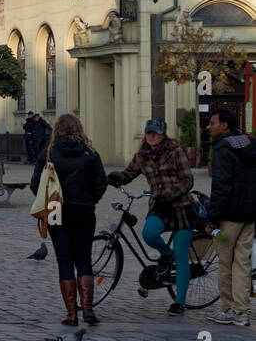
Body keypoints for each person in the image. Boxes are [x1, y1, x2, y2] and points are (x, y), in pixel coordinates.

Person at [107, 118, 203, 315]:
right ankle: (166, 255)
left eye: (156, 133)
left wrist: (170, 195)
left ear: (163, 134)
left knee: (182, 255)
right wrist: (114, 177)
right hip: (159, 206)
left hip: (181, 206)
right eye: (149, 132)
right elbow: (128, 174)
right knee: (149, 234)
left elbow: (188, 180)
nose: (152, 136)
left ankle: (180, 302)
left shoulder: (175, 152)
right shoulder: (142, 156)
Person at [30, 113, 108, 325]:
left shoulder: (49, 153)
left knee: (65, 262)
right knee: (84, 260)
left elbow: (35, 184)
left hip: (56, 210)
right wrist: (90, 199)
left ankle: (72, 314)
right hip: (84, 211)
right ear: (78, 129)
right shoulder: (90, 153)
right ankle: (88, 310)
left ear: (57, 129)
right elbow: (101, 183)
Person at [203, 108, 255, 326]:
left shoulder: (223, 149)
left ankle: (228, 309)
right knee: (242, 262)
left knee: (225, 263)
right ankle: (242, 312)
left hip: (229, 218)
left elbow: (221, 187)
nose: (209, 126)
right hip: (249, 215)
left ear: (224, 125)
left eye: (212, 122)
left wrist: (212, 218)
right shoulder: (250, 144)